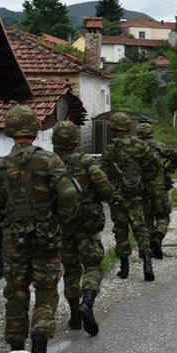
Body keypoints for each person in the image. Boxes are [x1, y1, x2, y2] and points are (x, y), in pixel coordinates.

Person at [0, 106, 78, 353]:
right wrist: (62, 220)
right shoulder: (49, 160)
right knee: (46, 293)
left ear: (11, 132)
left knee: (16, 293)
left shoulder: (0, 166)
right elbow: (69, 194)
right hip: (46, 238)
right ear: (35, 131)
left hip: (14, 240)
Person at [52, 120, 115, 336]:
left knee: (70, 269)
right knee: (93, 266)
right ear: (76, 140)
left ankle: (73, 316)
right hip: (88, 224)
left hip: (62, 226)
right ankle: (87, 303)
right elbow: (105, 188)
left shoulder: (51, 165)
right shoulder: (87, 162)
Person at [101, 112, 161, 281]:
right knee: (140, 228)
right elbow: (155, 164)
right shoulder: (140, 145)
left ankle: (124, 268)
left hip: (118, 196)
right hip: (136, 195)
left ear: (113, 129)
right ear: (128, 127)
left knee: (120, 230)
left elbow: (102, 172)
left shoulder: (110, 148)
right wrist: (144, 178)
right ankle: (147, 264)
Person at [135, 122, 177, 259]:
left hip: (141, 187)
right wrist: (167, 171)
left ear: (138, 133)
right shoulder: (158, 146)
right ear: (151, 132)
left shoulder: (134, 148)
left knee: (147, 217)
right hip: (159, 187)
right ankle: (158, 237)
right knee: (163, 215)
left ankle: (148, 248)